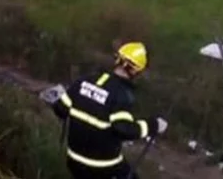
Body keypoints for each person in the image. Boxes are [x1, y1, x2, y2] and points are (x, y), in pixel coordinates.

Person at [40, 42, 168, 178]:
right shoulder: (122, 95)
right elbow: (123, 129)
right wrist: (154, 125)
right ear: (135, 70)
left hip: (73, 161)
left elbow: (60, 110)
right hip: (103, 167)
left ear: (117, 60)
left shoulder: (84, 80)